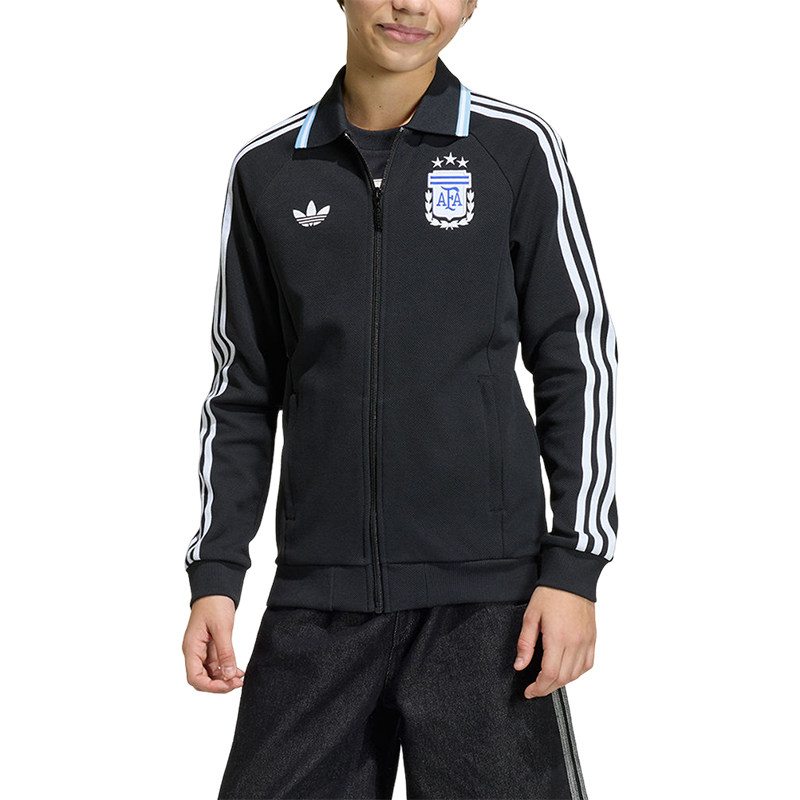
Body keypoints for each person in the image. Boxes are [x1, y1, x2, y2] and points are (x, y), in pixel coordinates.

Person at [181, 1, 618, 797]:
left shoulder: (514, 150)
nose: (414, 4)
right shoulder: (269, 170)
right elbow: (242, 387)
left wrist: (575, 567)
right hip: (318, 601)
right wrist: (217, 570)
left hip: (489, 608)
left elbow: (576, 358)